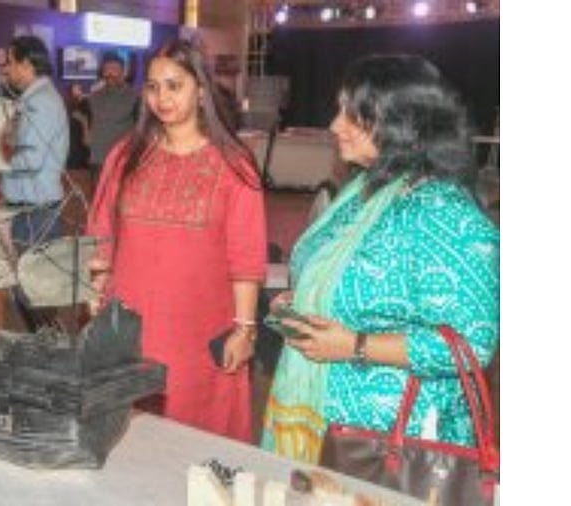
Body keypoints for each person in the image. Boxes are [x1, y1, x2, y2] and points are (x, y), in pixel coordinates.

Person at [259, 54, 499, 464]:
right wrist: (302, 303)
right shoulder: (365, 190)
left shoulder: (445, 212)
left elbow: (471, 346)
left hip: (393, 444)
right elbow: (337, 278)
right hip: (321, 417)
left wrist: (355, 345)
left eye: (354, 115)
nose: (336, 126)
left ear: (403, 121)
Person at [86, 39, 268, 443]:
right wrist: (96, 289)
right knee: (127, 436)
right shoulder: (125, 156)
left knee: (192, 438)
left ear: (200, 90)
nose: (162, 98)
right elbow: (102, 232)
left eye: (174, 85)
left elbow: (246, 254)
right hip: (130, 324)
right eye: (152, 87)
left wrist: (244, 328)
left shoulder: (234, 164)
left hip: (196, 331)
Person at [0, 35, 69, 250]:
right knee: (30, 280)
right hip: (32, 211)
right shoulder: (34, 99)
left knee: (32, 281)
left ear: (26, 64)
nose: (5, 69)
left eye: (10, 62)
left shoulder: (41, 102)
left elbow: (30, 160)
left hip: (36, 214)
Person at [87, 51, 138, 177]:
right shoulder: (94, 96)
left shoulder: (134, 97)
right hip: (97, 160)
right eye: (106, 69)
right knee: (96, 196)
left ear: (123, 72)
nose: (110, 74)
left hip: (120, 162)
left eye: (114, 69)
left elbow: (140, 131)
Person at [65, 83, 92, 170]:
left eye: (79, 89)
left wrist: (86, 134)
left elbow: (86, 119)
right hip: (73, 134)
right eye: (76, 89)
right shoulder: (68, 102)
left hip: (80, 135)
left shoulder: (85, 102)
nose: (78, 91)